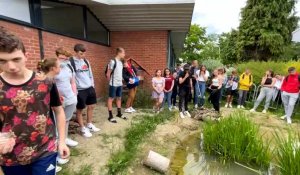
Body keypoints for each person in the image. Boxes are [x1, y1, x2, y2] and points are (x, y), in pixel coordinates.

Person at [0, 28, 69, 175]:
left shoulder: (45, 81)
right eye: (3, 61)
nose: (11, 66)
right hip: (11, 156)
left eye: (16, 59)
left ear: (26, 56)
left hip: (45, 150)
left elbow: (58, 110)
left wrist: (62, 141)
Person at [37, 58, 68, 173]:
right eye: (59, 66)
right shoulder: (44, 80)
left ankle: (55, 159)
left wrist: (57, 98)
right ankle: (57, 158)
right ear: (53, 68)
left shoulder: (50, 80)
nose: (60, 68)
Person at [70, 44, 100, 138]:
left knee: (91, 106)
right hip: (80, 90)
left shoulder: (86, 61)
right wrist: (75, 91)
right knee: (80, 109)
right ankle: (83, 128)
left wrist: (93, 86)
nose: (83, 55)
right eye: (81, 53)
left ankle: (89, 124)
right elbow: (71, 77)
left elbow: (90, 74)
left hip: (89, 88)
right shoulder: (71, 62)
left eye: (84, 53)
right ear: (76, 52)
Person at [54, 48, 78, 147]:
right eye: (61, 58)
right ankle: (57, 141)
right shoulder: (53, 68)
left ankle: (65, 138)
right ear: (57, 57)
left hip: (70, 97)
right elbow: (50, 83)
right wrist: (57, 95)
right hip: (58, 99)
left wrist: (75, 95)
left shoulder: (69, 67)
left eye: (65, 59)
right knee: (57, 120)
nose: (63, 60)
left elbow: (72, 82)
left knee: (67, 119)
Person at [106, 48, 125, 123]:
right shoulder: (112, 61)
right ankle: (110, 116)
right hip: (113, 84)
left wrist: (121, 81)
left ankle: (119, 113)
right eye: (123, 53)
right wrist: (110, 83)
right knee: (111, 99)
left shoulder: (120, 62)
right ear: (119, 53)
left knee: (119, 98)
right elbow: (108, 74)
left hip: (119, 83)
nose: (124, 54)